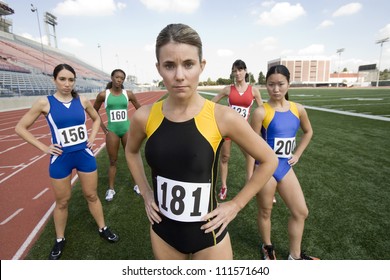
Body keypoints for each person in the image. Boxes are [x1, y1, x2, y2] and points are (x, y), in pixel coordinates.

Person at [125, 23, 278, 260]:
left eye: (188, 64)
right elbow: (131, 151)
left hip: (209, 239)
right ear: (158, 68)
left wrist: (236, 205)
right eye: (169, 65)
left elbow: (269, 160)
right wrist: (146, 192)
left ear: (201, 65)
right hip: (162, 234)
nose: (179, 75)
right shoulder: (144, 116)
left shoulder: (222, 116)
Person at [15, 64, 119, 260]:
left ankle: (103, 228)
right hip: (60, 158)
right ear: (54, 80)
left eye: (71, 79)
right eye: (62, 79)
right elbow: (20, 128)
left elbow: (96, 119)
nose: (67, 83)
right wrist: (44, 147)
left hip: (84, 155)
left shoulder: (82, 100)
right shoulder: (44, 103)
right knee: (62, 201)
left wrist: (92, 137)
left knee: (91, 195)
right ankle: (60, 239)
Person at [248, 65, 318, 260]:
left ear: (289, 84)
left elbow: (308, 132)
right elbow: (251, 146)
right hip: (265, 170)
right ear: (266, 85)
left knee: (301, 211)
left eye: (280, 84)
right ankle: (267, 247)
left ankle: (294, 256)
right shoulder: (261, 112)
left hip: (286, 168)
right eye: (271, 85)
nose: (276, 89)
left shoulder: (298, 109)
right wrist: (252, 174)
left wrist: (298, 154)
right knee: (265, 211)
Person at [211, 59, 263, 200]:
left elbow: (262, 110)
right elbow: (212, 103)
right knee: (225, 157)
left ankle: (250, 185)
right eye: (235, 71)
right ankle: (224, 186)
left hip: (244, 130)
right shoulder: (228, 89)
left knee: (251, 157)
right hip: (228, 130)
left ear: (245, 71)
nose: (238, 73)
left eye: (240, 70)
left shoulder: (254, 90)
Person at [93, 69, 141, 201]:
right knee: (113, 161)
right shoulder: (104, 95)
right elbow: (93, 111)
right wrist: (103, 127)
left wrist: (136, 125)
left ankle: (137, 185)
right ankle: (111, 189)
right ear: (112, 78)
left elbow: (140, 109)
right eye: (117, 77)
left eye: (122, 78)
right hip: (112, 131)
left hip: (126, 130)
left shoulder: (129, 94)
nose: (119, 80)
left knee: (131, 157)